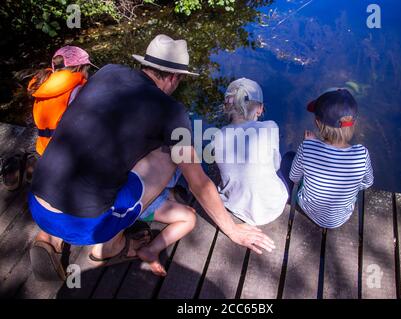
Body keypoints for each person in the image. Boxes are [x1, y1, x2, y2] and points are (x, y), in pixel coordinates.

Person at [28, 35, 274, 281]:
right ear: (174, 77)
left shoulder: (107, 72)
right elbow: (198, 183)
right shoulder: (171, 111)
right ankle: (112, 245)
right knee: (169, 155)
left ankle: (47, 238)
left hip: (37, 200)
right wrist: (233, 231)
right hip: (86, 226)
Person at [289, 89, 374, 229]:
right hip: (341, 217)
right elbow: (367, 183)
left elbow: (294, 177)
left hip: (308, 210)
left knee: (289, 158)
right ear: (354, 123)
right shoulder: (361, 155)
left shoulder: (307, 147)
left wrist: (312, 144)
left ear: (317, 123)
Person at [212, 78, 288, 225]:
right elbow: (276, 165)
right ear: (260, 109)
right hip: (272, 208)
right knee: (286, 163)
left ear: (226, 108)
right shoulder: (270, 127)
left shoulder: (217, 136)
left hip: (236, 208)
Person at [28, 46, 95, 156]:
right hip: (67, 153)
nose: (87, 74)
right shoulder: (77, 90)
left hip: (44, 150)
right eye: (87, 69)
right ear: (79, 67)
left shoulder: (41, 86)